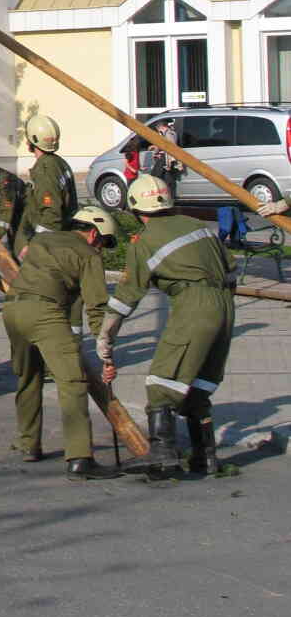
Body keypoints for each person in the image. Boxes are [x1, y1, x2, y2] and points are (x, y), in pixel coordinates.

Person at [96, 174, 237, 478]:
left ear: (135, 209)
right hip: (225, 304)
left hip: (194, 304)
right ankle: (205, 458)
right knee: (197, 387)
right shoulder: (198, 226)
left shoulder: (145, 241)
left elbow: (126, 297)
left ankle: (162, 454)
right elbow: (231, 270)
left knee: (162, 383)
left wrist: (106, 337)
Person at [2, 205, 117, 479]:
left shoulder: (42, 239)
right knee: (73, 382)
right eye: (102, 242)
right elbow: (97, 306)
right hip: (45, 313)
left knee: (29, 378)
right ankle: (80, 458)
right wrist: (107, 354)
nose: (101, 248)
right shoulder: (89, 255)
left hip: (12, 309)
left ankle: (28, 443)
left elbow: (23, 255)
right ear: (93, 234)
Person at [15, 114, 83, 339]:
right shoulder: (60, 163)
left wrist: (34, 245)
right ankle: (72, 349)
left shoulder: (45, 169)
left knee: (50, 300)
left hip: (53, 245)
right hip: (66, 238)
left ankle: (56, 356)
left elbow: (51, 214)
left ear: (31, 140)